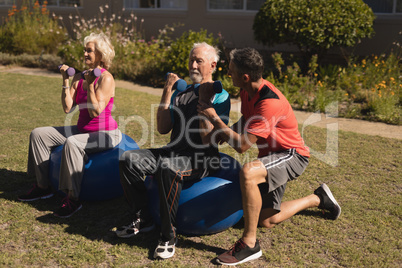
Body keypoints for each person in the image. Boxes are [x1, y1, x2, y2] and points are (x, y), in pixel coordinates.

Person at [197, 47, 341, 266]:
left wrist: (216, 119)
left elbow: (243, 145)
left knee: (248, 172)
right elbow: (247, 119)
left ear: (245, 77)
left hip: (291, 155)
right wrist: (222, 134)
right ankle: (318, 198)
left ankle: (249, 244)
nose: (228, 74)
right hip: (271, 155)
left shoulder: (269, 103)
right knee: (267, 220)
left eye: (232, 70)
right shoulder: (247, 91)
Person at [116, 42, 231, 260]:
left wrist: (206, 103)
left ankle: (168, 235)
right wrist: (167, 91)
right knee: (128, 159)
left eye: (199, 60)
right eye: (191, 60)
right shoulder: (183, 92)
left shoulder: (221, 95)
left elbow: (208, 141)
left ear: (213, 65)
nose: (193, 65)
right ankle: (143, 217)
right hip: (174, 150)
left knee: (168, 168)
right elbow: (162, 128)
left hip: (202, 157)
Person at [18, 32, 122, 218]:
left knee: (72, 143)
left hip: (106, 134)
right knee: (38, 134)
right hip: (83, 130)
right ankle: (43, 187)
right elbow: (67, 108)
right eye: (84, 50)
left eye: (89, 51)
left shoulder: (106, 78)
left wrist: (90, 86)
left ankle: (73, 199)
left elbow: (95, 111)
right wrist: (65, 80)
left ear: (101, 54)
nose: (85, 54)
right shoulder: (80, 77)